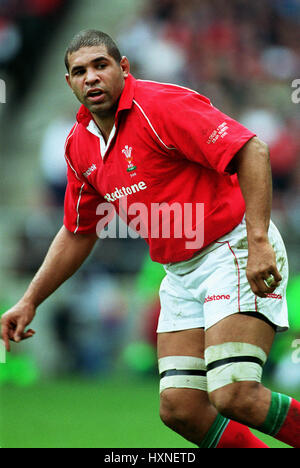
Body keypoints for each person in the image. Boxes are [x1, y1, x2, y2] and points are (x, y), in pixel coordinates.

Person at [1, 29, 299, 449]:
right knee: (181, 410)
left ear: (123, 68)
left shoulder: (161, 106)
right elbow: (77, 230)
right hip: (180, 272)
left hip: (232, 247)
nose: (91, 78)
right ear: (68, 83)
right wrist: (30, 300)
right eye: (79, 71)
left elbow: (253, 150)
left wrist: (259, 243)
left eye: (100, 66)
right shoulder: (78, 145)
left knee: (234, 394)